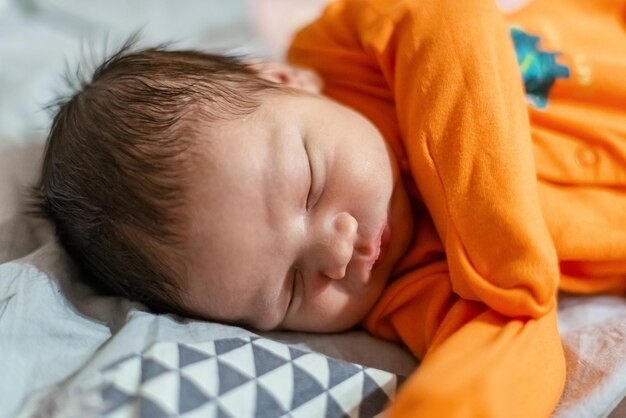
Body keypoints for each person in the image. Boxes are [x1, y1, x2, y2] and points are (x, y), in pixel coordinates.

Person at [34, 0, 626, 416]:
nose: (338, 251)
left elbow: (447, 14)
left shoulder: (350, 52)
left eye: (310, 188)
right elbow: (510, 349)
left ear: (285, 78)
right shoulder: (408, 293)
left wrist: (496, 242)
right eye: (292, 287)